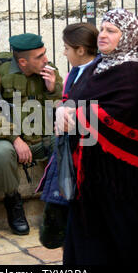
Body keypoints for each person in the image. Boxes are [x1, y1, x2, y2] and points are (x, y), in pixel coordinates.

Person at [57, 9, 138, 265]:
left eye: (111, 31)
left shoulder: (133, 73)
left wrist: (75, 115)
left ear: (127, 36)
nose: (102, 35)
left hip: (120, 178)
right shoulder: (98, 65)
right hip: (91, 173)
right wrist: (62, 110)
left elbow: (115, 116)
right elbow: (75, 96)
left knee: (119, 240)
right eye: (102, 29)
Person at [0, 33, 63, 236]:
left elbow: (65, 104)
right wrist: (14, 138)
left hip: (41, 138)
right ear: (22, 62)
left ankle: (60, 201)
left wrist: (53, 89)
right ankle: (13, 202)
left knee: (69, 142)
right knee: (1, 153)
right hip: (10, 141)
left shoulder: (49, 71)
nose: (45, 59)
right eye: (39, 56)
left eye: (44, 54)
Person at [37, 22, 98, 249]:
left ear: (80, 50)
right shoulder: (74, 72)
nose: (63, 52)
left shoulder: (97, 74)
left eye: (66, 48)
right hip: (66, 151)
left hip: (83, 156)